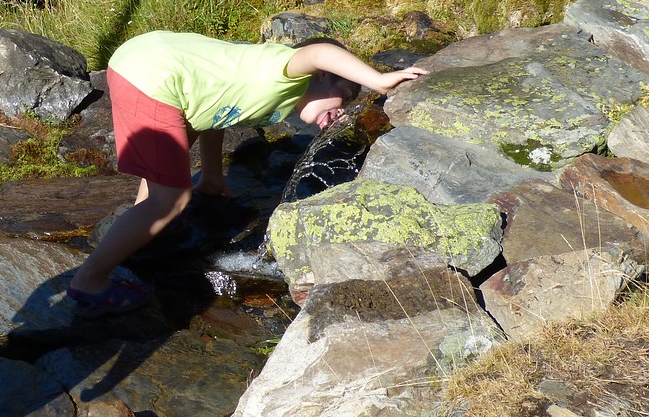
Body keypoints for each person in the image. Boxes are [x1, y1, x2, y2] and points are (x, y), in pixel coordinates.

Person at [66, 31, 427, 316]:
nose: (342, 111)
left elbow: (217, 116)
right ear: (321, 77)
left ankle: (135, 243)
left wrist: (212, 178)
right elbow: (319, 51)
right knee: (172, 200)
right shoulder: (284, 72)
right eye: (345, 95)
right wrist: (378, 79)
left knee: (172, 166)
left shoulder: (270, 94)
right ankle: (90, 280)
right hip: (153, 73)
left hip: (149, 66)